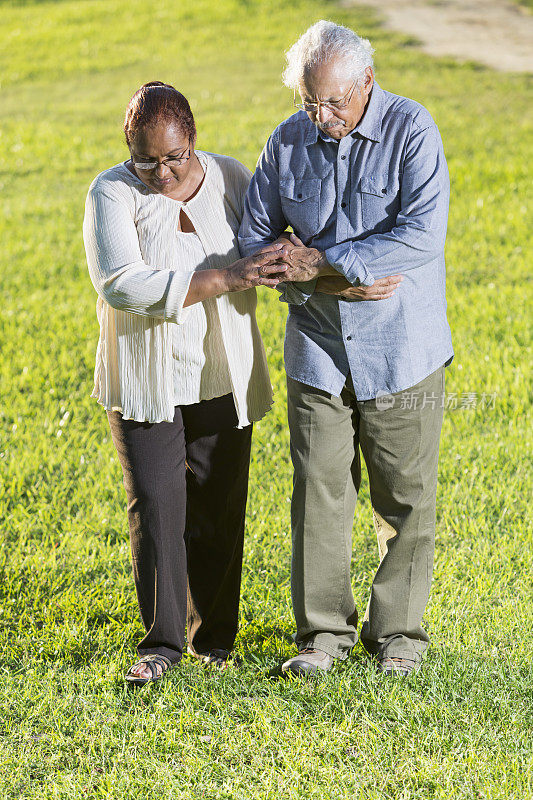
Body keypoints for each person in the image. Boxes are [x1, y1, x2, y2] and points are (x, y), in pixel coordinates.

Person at [239, 21, 453, 677]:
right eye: (310, 103)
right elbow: (254, 240)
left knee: (403, 497)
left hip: (400, 349)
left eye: (333, 103)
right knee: (318, 492)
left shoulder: (412, 131)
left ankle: (398, 639)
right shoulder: (286, 141)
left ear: (365, 81)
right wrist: (320, 280)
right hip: (317, 345)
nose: (321, 118)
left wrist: (324, 263)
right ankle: (322, 637)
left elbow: (421, 237)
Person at [83, 82, 288, 685]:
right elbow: (122, 282)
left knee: (221, 507)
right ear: (129, 150)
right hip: (146, 374)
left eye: (175, 157)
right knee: (157, 505)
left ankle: (214, 637)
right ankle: (163, 644)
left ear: (193, 140)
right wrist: (226, 278)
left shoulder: (229, 177)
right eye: (147, 160)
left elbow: (270, 237)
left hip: (221, 367)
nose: (163, 171)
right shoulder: (112, 192)